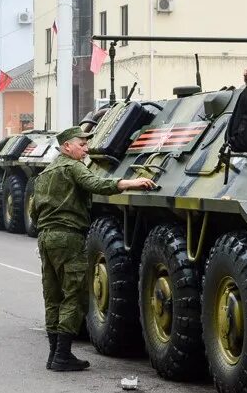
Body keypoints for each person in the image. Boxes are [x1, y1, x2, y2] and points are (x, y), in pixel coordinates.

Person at [29, 126, 157, 372]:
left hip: (46, 238)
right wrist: (130, 183)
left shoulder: (45, 172)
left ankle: (54, 354)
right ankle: (63, 355)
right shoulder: (72, 166)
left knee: (52, 295)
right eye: (82, 144)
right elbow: (95, 183)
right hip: (68, 237)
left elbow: (34, 210)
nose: (86, 148)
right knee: (74, 296)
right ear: (67, 146)